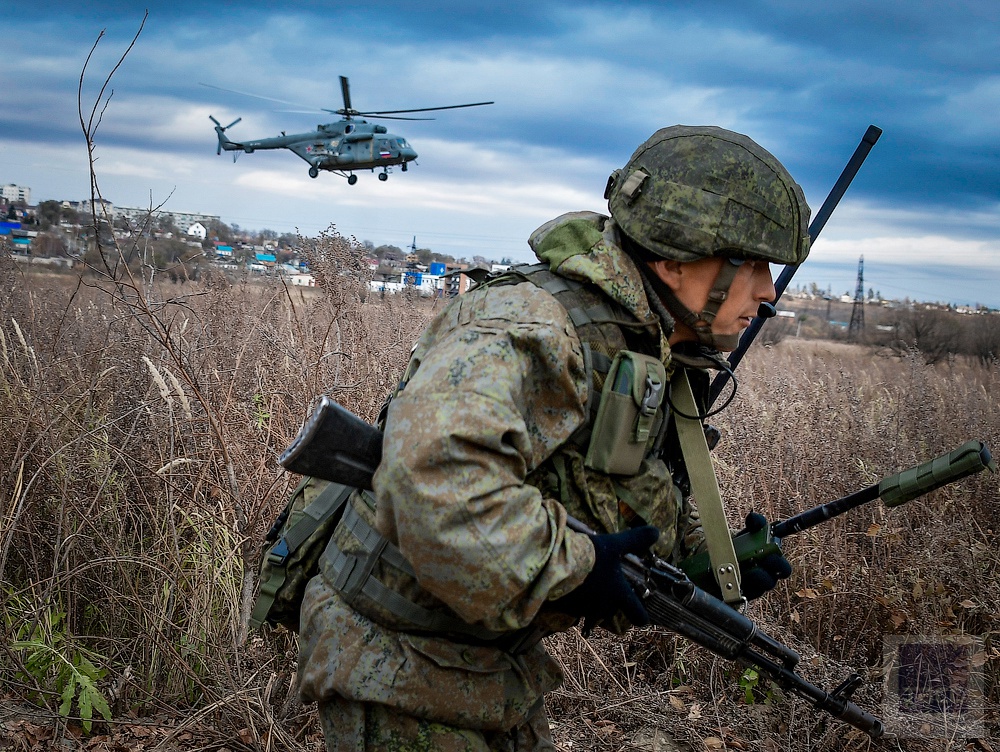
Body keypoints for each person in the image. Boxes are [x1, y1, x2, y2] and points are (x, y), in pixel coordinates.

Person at [297, 125, 810, 751]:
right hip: (396, 665)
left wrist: (707, 561)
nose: (767, 295)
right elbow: (434, 482)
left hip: (485, 667)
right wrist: (580, 569)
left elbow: (608, 487)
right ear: (673, 258)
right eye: (751, 265)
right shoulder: (537, 326)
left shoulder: (648, 343)